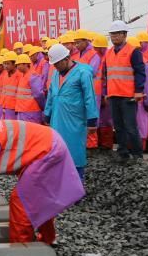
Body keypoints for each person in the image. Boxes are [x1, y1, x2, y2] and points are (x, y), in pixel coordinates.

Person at [43, 44, 98, 181]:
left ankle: (76, 186)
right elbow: (51, 94)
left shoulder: (82, 73)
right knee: (57, 151)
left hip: (75, 120)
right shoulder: (56, 73)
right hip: (57, 119)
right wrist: (47, 113)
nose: (55, 67)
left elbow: (89, 97)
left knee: (75, 152)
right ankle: (60, 184)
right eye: (53, 64)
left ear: (66, 58)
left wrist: (92, 120)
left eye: (57, 64)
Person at [102, 20, 146, 163]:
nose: (114, 37)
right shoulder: (108, 53)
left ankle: (137, 155)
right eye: (112, 34)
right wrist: (106, 92)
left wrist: (139, 91)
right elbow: (106, 74)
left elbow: (140, 72)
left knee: (131, 127)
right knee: (118, 127)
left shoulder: (133, 52)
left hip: (128, 96)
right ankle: (123, 154)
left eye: (117, 34)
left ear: (124, 35)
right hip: (114, 95)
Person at [73, 30, 102, 150]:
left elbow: (92, 71)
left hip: (92, 90)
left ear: (86, 41)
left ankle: (92, 145)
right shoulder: (76, 55)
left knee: (91, 115)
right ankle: (83, 143)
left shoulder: (94, 55)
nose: (76, 45)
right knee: (81, 117)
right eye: (75, 43)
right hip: (79, 90)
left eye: (78, 42)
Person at [92, 34, 115, 150]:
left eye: (96, 47)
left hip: (106, 93)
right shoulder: (98, 57)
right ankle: (102, 144)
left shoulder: (108, 58)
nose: (94, 49)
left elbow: (108, 78)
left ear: (101, 47)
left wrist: (106, 94)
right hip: (99, 93)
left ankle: (107, 145)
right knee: (100, 120)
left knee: (106, 120)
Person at [14, 54, 43, 123]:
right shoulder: (23, 75)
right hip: (23, 111)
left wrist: (43, 107)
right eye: (17, 65)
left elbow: (39, 94)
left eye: (19, 65)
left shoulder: (32, 76)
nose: (17, 67)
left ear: (26, 64)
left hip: (31, 112)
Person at [0, 53, 21, 120]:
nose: (5, 66)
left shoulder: (19, 75)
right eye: (4, 64)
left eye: (8, 64)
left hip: (14, 109)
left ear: (14, 64)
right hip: (5, 107)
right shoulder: (5, 75)